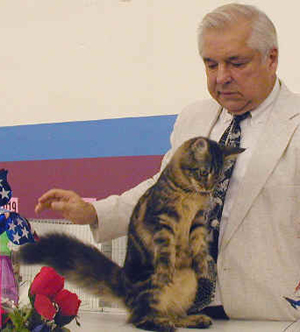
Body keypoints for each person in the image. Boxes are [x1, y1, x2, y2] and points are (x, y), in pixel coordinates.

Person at [34, 3, 300, 321]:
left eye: (236, 63)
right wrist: (94, 211)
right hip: (181, 312)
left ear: (271, 58)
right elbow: (160, 193)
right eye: (210, 64)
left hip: (272, 315)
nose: (221, 77)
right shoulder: (193, 117)